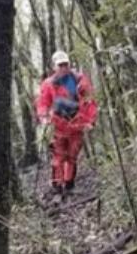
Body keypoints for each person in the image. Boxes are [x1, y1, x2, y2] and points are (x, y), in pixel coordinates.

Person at [34, 50, 97, 193]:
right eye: (60, 65)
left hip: (77, 124)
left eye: (65, 64)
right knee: (58, 157)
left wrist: (90, 121)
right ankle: (57, 185)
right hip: (58, 126)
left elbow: (89, 102)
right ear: (54, 67)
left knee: (72, 156)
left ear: (69, 64)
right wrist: (43, 117)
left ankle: (69, 184)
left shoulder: (80, 80)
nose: (63, 68)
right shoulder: (48, 84)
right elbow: (42, 102)